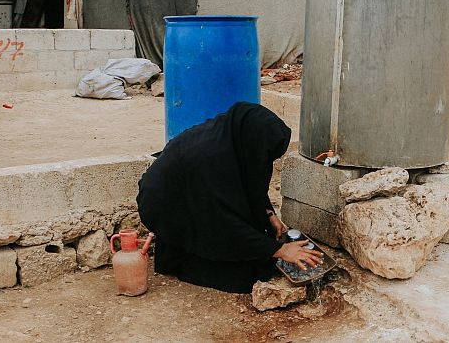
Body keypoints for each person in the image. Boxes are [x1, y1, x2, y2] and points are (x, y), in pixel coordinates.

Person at [137, 102, 323, 293]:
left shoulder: (231, 138)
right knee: (244, 276)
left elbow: (248, 182)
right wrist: (280, 250)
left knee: (255, 250)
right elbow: (225, 224)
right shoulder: (211, 159)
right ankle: (182, 252)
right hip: (165, 207)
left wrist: (268, 214)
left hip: (196, 197)